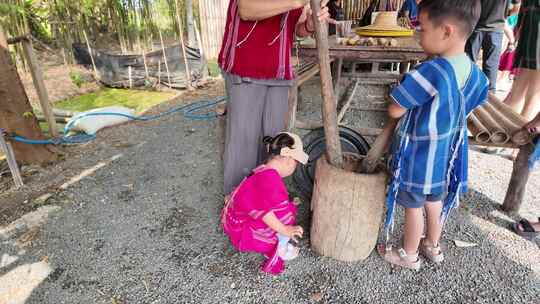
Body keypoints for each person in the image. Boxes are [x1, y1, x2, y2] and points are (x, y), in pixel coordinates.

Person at [378, 0, 489, 270]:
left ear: (446, 31)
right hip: (446, 154)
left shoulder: (432, 70)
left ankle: (408, 254)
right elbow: (473, 100)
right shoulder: (475, 74)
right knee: (434, 201)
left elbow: (395, 109)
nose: (419, 35)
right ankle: (432, 245)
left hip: (420, 153)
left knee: (413, 204)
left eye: (423, 29)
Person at [219, 0, 330, 195]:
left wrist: (309, 25)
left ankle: (266, 202)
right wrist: (297, 1)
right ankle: (237, 206)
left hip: (278, 70)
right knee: (243, 142)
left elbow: (297, 29)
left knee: (274, 142)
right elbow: (246, 9)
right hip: (247, 66)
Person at [221, 132, 309, 275]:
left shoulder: (263, 170)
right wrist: (285, 229)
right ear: (287, 158)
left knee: (284, 206)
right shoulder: (271, 179)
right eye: (296, 162)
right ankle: (278, 247)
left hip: (233, 220)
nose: (295, 166)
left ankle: (279, 236)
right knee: (286, 213)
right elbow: (264, 211)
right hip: (243, 232)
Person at [466, 0, 521, 91]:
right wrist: (504, 15)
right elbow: (517, 7)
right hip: (496, 29)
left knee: (469, 62)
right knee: (491, 66)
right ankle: (489, 95)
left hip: (476, 27)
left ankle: (465, 91)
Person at [503, 0, 540, 121]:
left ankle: (510, 124)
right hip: (532, 34)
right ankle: (517, 127)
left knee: (525, 91)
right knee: (531, 92)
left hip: (530, 34)